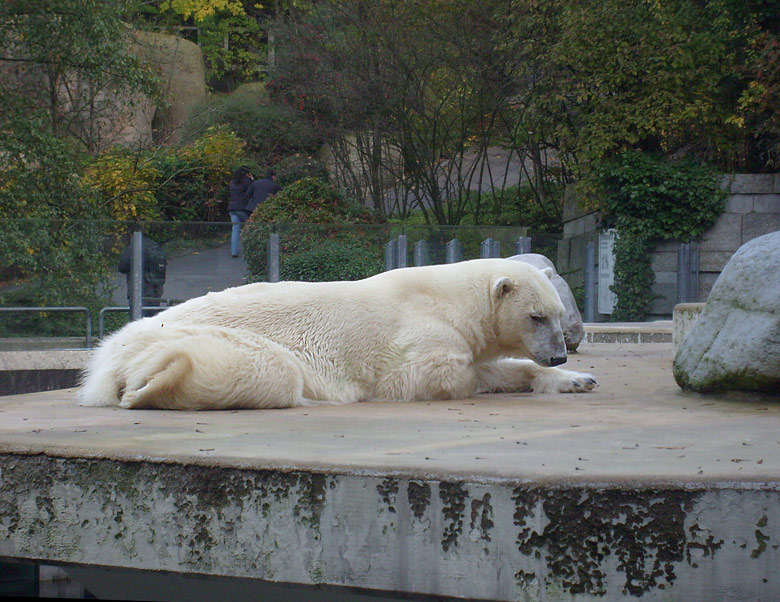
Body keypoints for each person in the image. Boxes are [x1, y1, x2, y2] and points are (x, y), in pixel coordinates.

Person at [117, 233, 167, 315]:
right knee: (152, 318)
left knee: (138, 319)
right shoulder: (155, 246)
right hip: (155, 289)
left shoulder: (135, 246)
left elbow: (122, 267)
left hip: (139, 291)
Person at [227, 166, 254, 258]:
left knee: (235, 229)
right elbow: (252, 191)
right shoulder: (247, 182)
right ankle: (251, 250)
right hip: (242, 208)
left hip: (231, 209)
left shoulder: (232, 183)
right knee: (250, 227)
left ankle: (234, 252)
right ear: (246, 174)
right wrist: (252, 179)